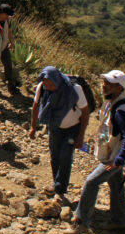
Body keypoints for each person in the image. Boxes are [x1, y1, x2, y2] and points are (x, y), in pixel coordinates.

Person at [64, 70, 125, 234]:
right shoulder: (113, 103)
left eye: (109, 84)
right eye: (104, 82)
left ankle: (80, 223)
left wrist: (118, 160)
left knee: (91, 182)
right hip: (112, 155)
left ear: (119, 88)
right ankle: (120, 220)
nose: (104, 85)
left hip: (113, 158)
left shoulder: (121, 110)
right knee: (116, 185)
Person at [29, 66, 90, 206]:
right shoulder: (42, 87)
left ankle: (60, 189)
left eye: (51, 84)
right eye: (45, 83)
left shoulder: (74, 90)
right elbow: (35, 106)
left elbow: (85, 112)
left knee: (65, 157)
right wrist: (33, 127)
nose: (48, 87)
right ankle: (57, 184)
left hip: (72, 128)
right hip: (54, 126)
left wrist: (81, 136)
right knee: (54, 156)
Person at [0, 3, 19, 94]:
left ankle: (11, 86)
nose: (8, 16)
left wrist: (12, 42)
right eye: (7, 14)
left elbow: (9, 31)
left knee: (8, 65)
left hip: (4, 46)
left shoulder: (8, 20)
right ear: (1, 13)